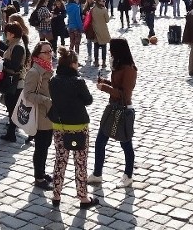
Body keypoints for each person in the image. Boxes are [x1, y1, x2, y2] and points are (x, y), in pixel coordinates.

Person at [48, 47, 98, 209]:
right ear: (72, 64)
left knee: (60, 159)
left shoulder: (53, 81)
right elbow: (88, 100)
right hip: (78, 126)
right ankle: (83, 197)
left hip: (59, 125)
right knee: (80, 161)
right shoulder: (78, 82)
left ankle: (56, 194)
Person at [87, 38, 137, 188]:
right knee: (100, 141)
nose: (109, 52)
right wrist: (106, 82)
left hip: (123, 110)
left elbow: (124, 94)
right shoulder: (120, 65)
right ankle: (97, 174)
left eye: (111, 49)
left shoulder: (129, 69)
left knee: (126, 144)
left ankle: (128, 175)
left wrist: (105, 88)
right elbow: (117, 86)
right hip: (112, 107)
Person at [24, 41, 54, 191]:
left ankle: (42, 172)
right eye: (46, 52)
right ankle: (38, 177)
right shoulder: (35, 72)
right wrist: (45, 100)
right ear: (38, 55)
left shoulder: (48, 68)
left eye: (50, 51)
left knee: (46, 145)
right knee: (41, 147)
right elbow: (27, 94)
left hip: (49, 115)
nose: (50, 54)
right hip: (40, 115)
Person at [0, 22, 28, 142]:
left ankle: (12, 133)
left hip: (15, 82)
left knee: (13, 107)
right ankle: (11, 132)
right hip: (13, 81)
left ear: (12, 34)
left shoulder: (18, 46)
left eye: (6, 32)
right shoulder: (14, 44)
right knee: (11, 106)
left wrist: (1, 60)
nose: (5, 34)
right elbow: (10, 58)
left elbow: (15, 66)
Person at [89, 0, 112, 68]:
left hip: (95, 30)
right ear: (99, 2)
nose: (104, 2)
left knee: (96, 46)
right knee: (104, 46)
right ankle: (104, 63)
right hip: (103, 30)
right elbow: (107, 20)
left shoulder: (92, 10)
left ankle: (96, 62)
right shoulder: (104, 10)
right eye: (103, 1)